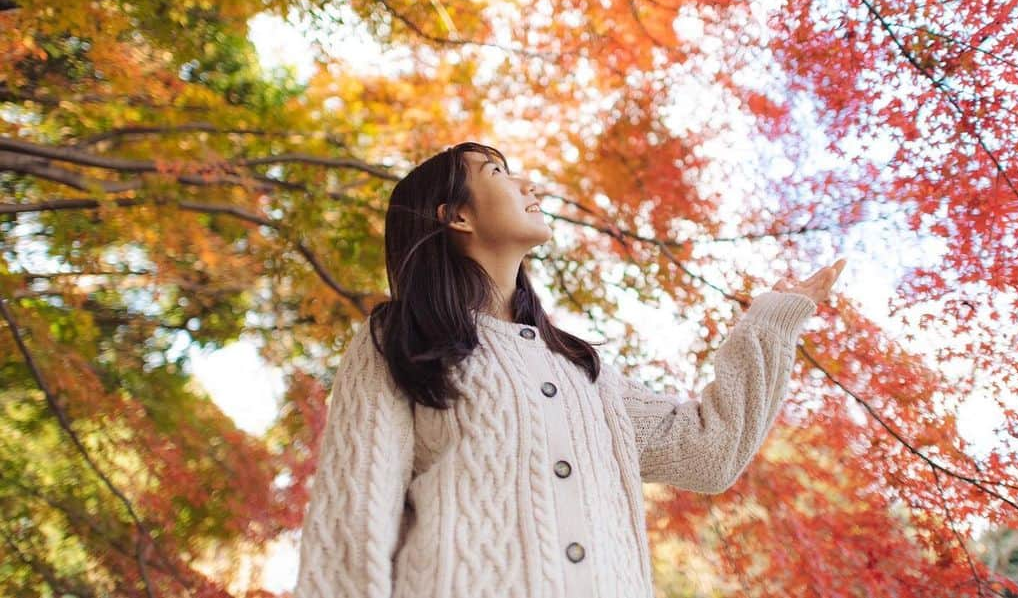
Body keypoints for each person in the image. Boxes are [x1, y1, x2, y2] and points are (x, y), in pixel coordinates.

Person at [294, 141, 846, 598]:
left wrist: (773, 323)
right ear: (456, 214)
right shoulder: (400, 340)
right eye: (498, 172)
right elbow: (351, 524)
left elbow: (710, 452)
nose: (528, 185)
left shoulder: (585, 373)